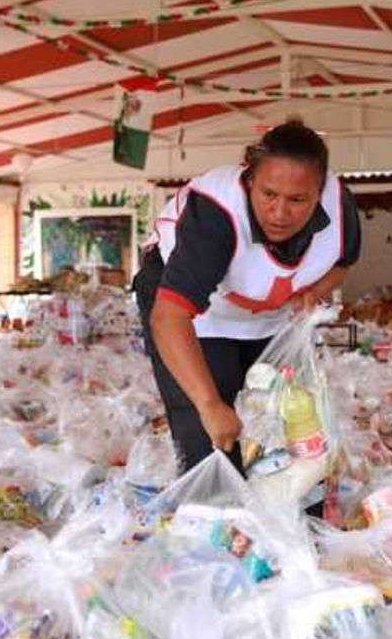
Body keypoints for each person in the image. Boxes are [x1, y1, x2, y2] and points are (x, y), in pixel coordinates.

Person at [133, 119, 362, 475]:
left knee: (289, 431)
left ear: (319, 193)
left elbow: (342, 263)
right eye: (269, 194)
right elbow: (169, 316)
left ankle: (287, 511)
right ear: (250, 179)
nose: (280, 213)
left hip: (265, 311)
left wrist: (313, 292)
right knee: (211, 440)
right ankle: (215, 503)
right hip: (194, 312)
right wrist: (209, 405)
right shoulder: (216, 214)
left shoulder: (340, 209)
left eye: (297, 200)